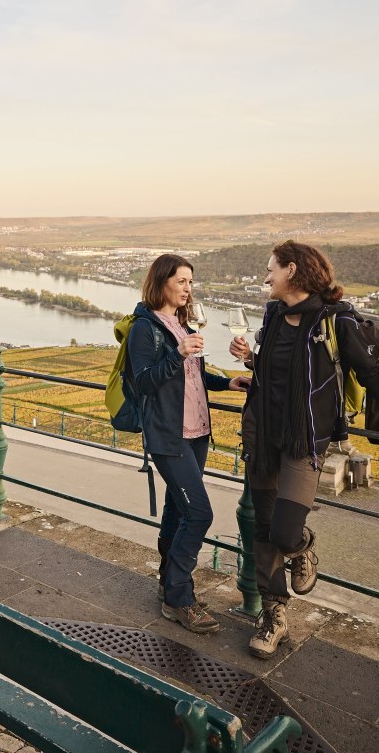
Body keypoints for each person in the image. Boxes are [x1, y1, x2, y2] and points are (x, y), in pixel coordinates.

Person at [229, 240, 379, 659]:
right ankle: (273, 615)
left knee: (282, 531)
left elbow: (376, 379)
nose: (265, 276)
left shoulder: (337, 322)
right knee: (262, 530)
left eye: (270, 269)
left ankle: (301, 548)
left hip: (304, 441)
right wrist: (250, 361)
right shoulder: (274, 315)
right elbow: (274, 371)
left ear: (292, 271)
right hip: (262, 436)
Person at [127, 254, 250, 634]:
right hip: (169, 435)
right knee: (200, 514)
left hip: (196, 432)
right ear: (162, 281)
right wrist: (178, 355)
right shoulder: (144, 328)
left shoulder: (180, 322)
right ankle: (179, 597)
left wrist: (225, 383)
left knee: (178, 511)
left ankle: (169, 581)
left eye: (191, 283)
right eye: (181, 281)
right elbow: (144, 381)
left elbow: (193, 373)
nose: (187, 288)